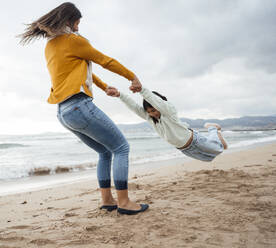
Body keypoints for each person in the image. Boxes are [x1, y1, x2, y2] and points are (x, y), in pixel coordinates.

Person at [18, 2, 148, 215]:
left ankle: (107, 200)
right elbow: (105, 61)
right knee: (121, 148)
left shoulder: (50, 46)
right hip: (79, 106)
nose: (78, 28)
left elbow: (80, 69)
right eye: (77, 23)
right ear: (69, 21)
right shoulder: (74, 40)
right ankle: (124, 202)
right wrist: (133, 77)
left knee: (105, 152)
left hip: (63, 112)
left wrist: (105, 87)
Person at [106, 84, 228, 162]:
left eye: (153, 110)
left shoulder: (169, 112)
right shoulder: (151, 119)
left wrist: (142, 90)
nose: (152, 113)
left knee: (219, 149)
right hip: (185, 149)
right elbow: (134, 107)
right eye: (149, 112)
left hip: (195, 140)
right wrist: (120, 95)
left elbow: (158, 103)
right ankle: (217, 138)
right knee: (209, 159)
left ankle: (212, 129)